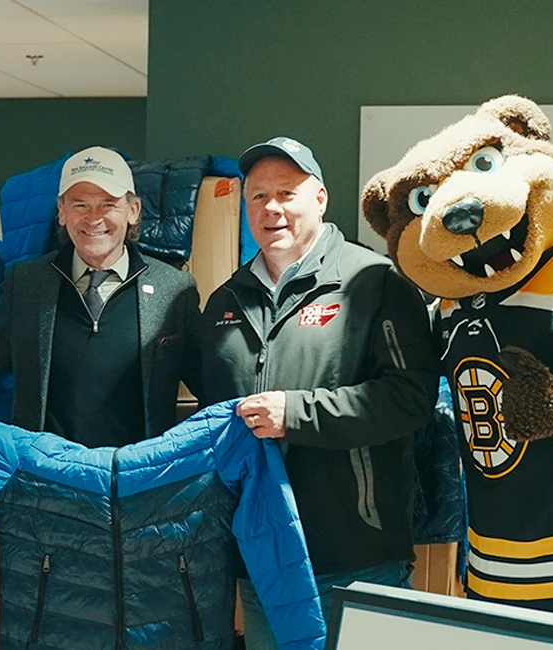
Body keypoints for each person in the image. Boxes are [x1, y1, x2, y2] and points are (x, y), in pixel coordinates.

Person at [199, 136, 439, 649]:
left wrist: (298, 413)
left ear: (321, 198)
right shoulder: (225, 300)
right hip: (263, 557)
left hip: (357, 554)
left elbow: (410, 397)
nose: (272, 208)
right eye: (258, 197)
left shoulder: (376, 282)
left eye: (287, 192)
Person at [0, 145, 201, 448]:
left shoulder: (174, 289)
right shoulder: (27, 283)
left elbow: (210, 382)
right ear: (62, 212)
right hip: (44, 480)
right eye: (80, 205)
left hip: (137, 481)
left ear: (133, 211)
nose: (94, 219)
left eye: (108, 204)